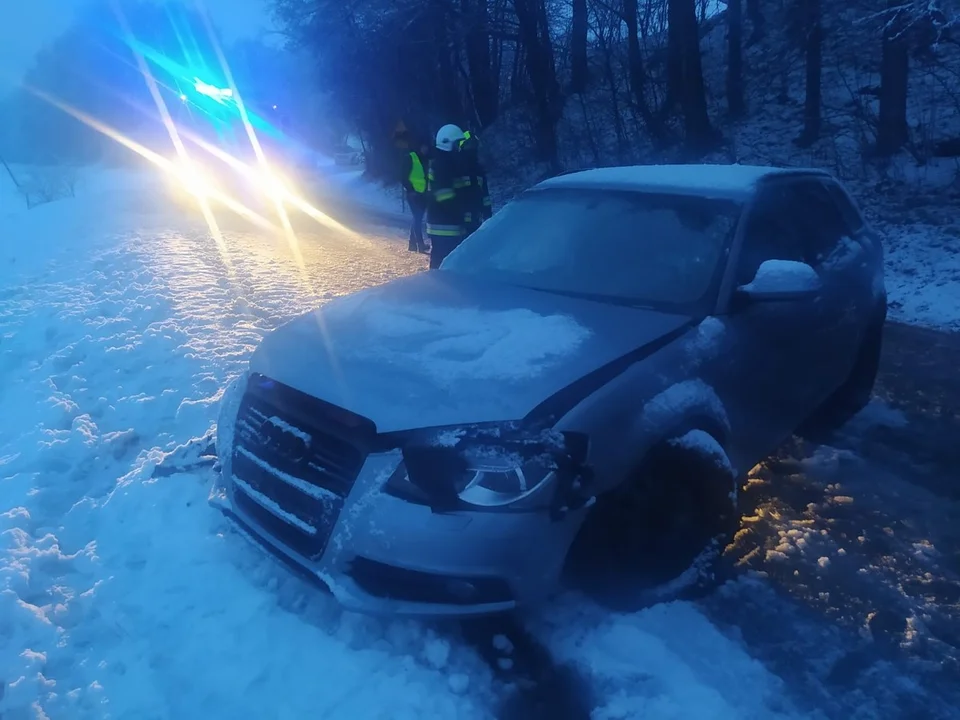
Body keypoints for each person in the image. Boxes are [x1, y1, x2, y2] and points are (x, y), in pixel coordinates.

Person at [426, 124, 466, 269]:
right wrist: (461, 215)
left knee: (442, 264)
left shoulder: (445, 162)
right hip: (444, 225)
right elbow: (445, 196)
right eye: (457, 144)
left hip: (443, 222)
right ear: (448, 144)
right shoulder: (443, 165)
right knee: (444, 267)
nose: (459, 148)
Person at [457, 130, 493, 238]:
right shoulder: (457, 168)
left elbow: (484, 193)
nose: (472, 148)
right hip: (461, 220)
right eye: (469, 145)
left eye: (473, 145)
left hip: (476, 217)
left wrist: (488, 214)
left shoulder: (478, 169)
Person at [402, 142, 429, 253]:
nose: (426, 148)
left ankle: (412, 244)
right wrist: (410, 190)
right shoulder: (411, 157)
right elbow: (403, 176)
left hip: (422, 193)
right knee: (418, 218)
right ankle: (420, 244)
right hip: (413, 194)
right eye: (424, 146)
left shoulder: (425, 158)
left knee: (417, 218)